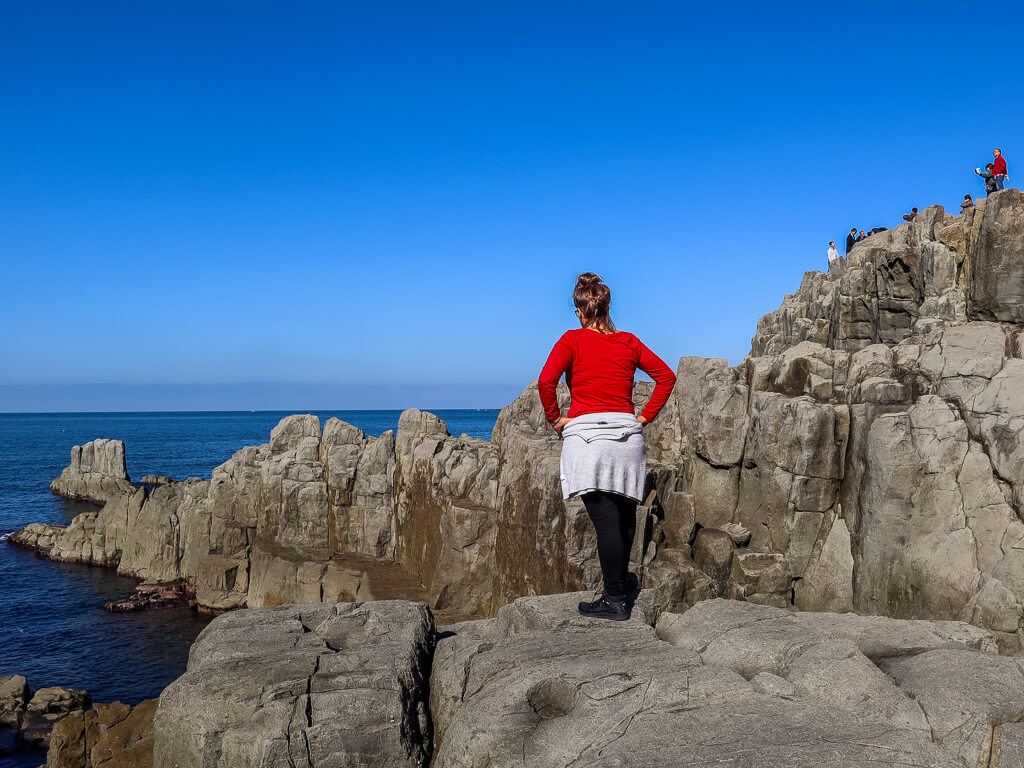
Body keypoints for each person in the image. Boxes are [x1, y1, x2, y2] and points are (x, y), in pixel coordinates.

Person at [538, 273, 676, 621]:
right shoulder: (628, 342)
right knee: (626, 515)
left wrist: (556, 420)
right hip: (628, 441)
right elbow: (666, 377)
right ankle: (620, 583)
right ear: (607, 307)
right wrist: (643, 418)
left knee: (606, 523)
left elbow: (546, 381)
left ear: (581, 311)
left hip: (588, 442)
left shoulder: (572, 340)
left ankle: (614, 599)